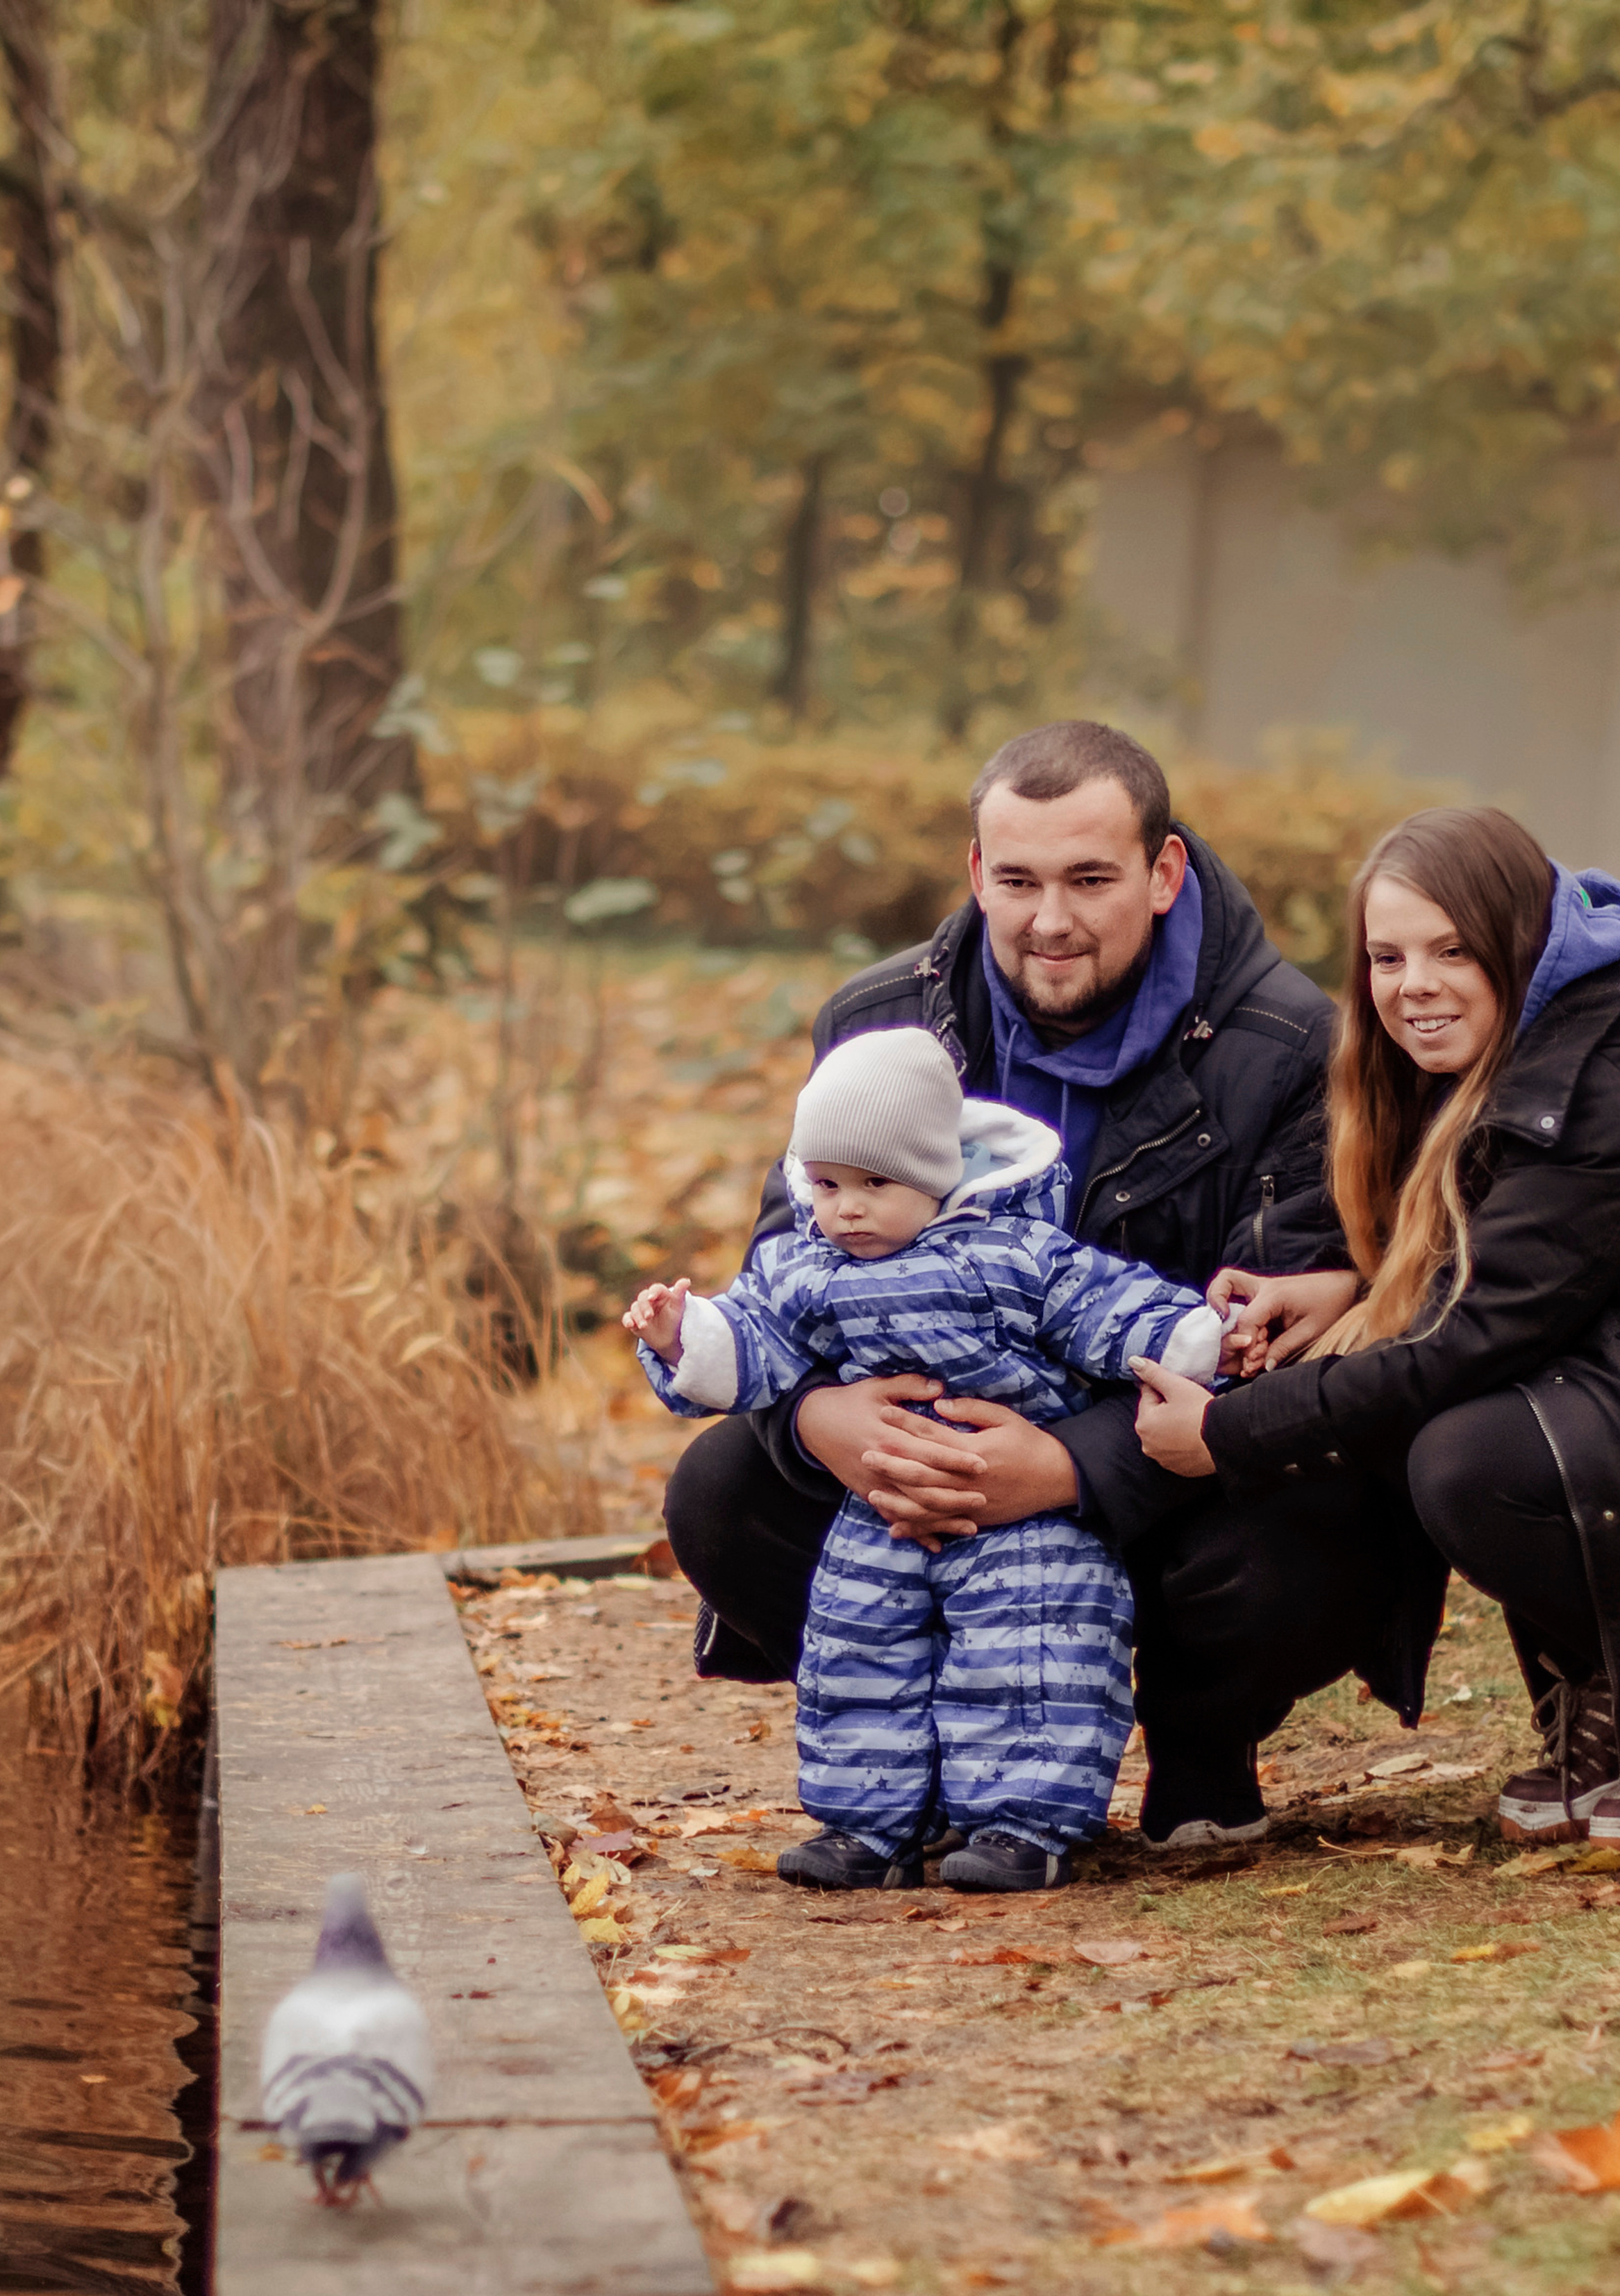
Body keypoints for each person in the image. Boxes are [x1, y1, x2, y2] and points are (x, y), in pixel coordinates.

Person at [664, 718, 1344, 1849]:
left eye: (1091, 879)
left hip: (1170, 1459)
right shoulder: (873, 1022)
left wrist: (1070, 1464)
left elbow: (1273, 1345)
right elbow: (784, 1272)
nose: (1050, 920)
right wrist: (821, 1418)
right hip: (918, 1459)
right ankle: (914, 1768)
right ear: (977, 872)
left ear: (1164, 872)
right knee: (721, 1489)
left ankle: (1201, 1745)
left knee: (1311, 1519)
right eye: (1018, 880)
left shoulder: (1290, 1046)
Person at [626, 1028, 1228, 1893]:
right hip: (884, 1509)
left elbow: (1104, 1303)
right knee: (856, 1649)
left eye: (876, 1185)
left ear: (936, 1176)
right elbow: (753, 1340)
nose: (848, 1210)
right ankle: (872, 1827)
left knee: (1035, 1654)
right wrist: (685, 1335)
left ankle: (1023, 1825)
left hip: (1027, 1509)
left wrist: (1188, 1336)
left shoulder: (1012, 1252)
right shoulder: (805, 1269)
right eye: (827, 1185)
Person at [1133, 804, 1620, 1843]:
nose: (1415, 986)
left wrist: (1224, 1436)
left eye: (1454, 951)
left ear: (1521, 942)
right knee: (1477, 1434)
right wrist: (1350, 1286)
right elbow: (1510, 1265)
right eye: (1387, 956)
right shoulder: (1484, 1061)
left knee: (1473, 1454)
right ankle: (1597, 1702)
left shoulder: (1599, 1069)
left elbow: (1481, 1332)